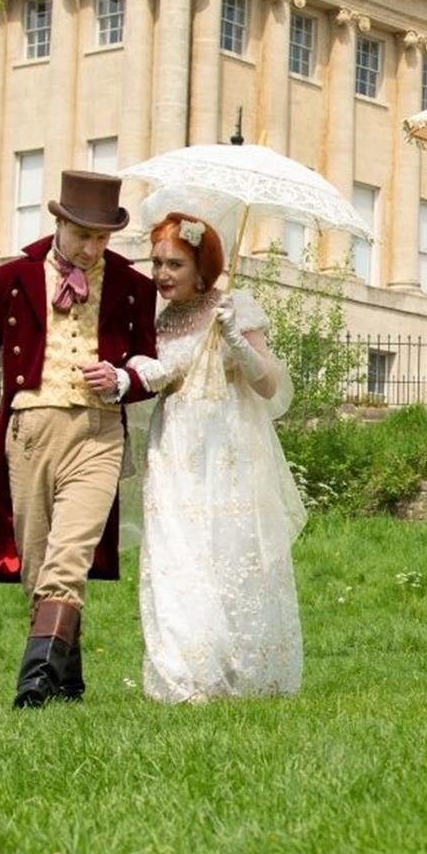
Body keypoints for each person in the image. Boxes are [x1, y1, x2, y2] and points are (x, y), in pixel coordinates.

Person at [0, 169, 158, 708]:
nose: (94, 247)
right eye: (84, 235)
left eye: (104, 237)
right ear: (60, 222)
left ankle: (34, 683)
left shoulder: (132, 287)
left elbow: (149, 362)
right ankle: (67, 681)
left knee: (68, 556)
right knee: (37, 563)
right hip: (27, 432)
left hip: (97, 434)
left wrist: (124, 380)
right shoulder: (8, 279)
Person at [125, 207, 306, 703]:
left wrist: (235, 340)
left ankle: (239, 669)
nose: (162, 274)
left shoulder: (237, 307)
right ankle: (187, 672)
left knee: (229, 551)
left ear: (203, 266)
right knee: (176, 551)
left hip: (228, 442)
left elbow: (268, 385)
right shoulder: (159, 321)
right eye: (157, 262)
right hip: (175, 442)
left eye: (175, 265)